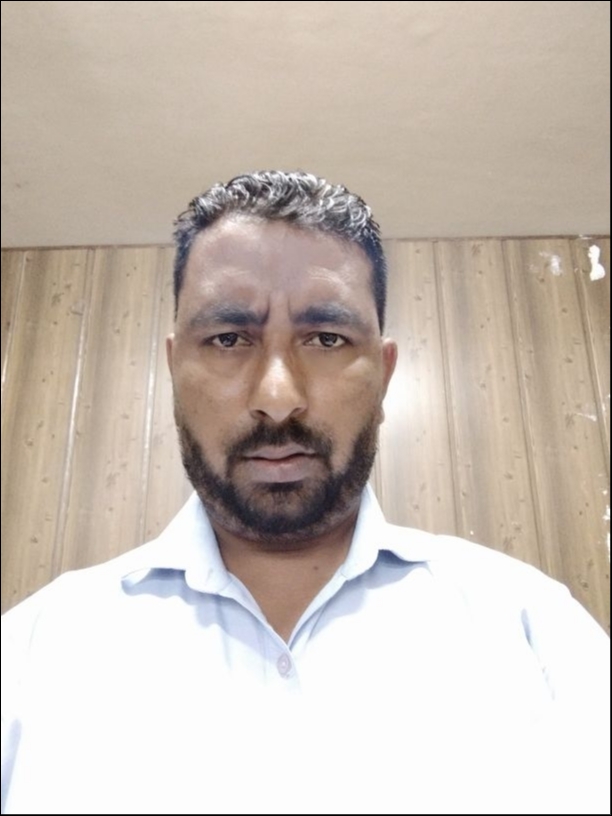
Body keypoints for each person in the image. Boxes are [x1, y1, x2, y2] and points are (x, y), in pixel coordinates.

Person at [1, 170, 609, 815]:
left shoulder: (532, 627)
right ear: (176, 369)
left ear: (384, 375)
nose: (277, 397)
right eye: (228, 339)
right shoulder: (34, 649)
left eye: (326, 339)